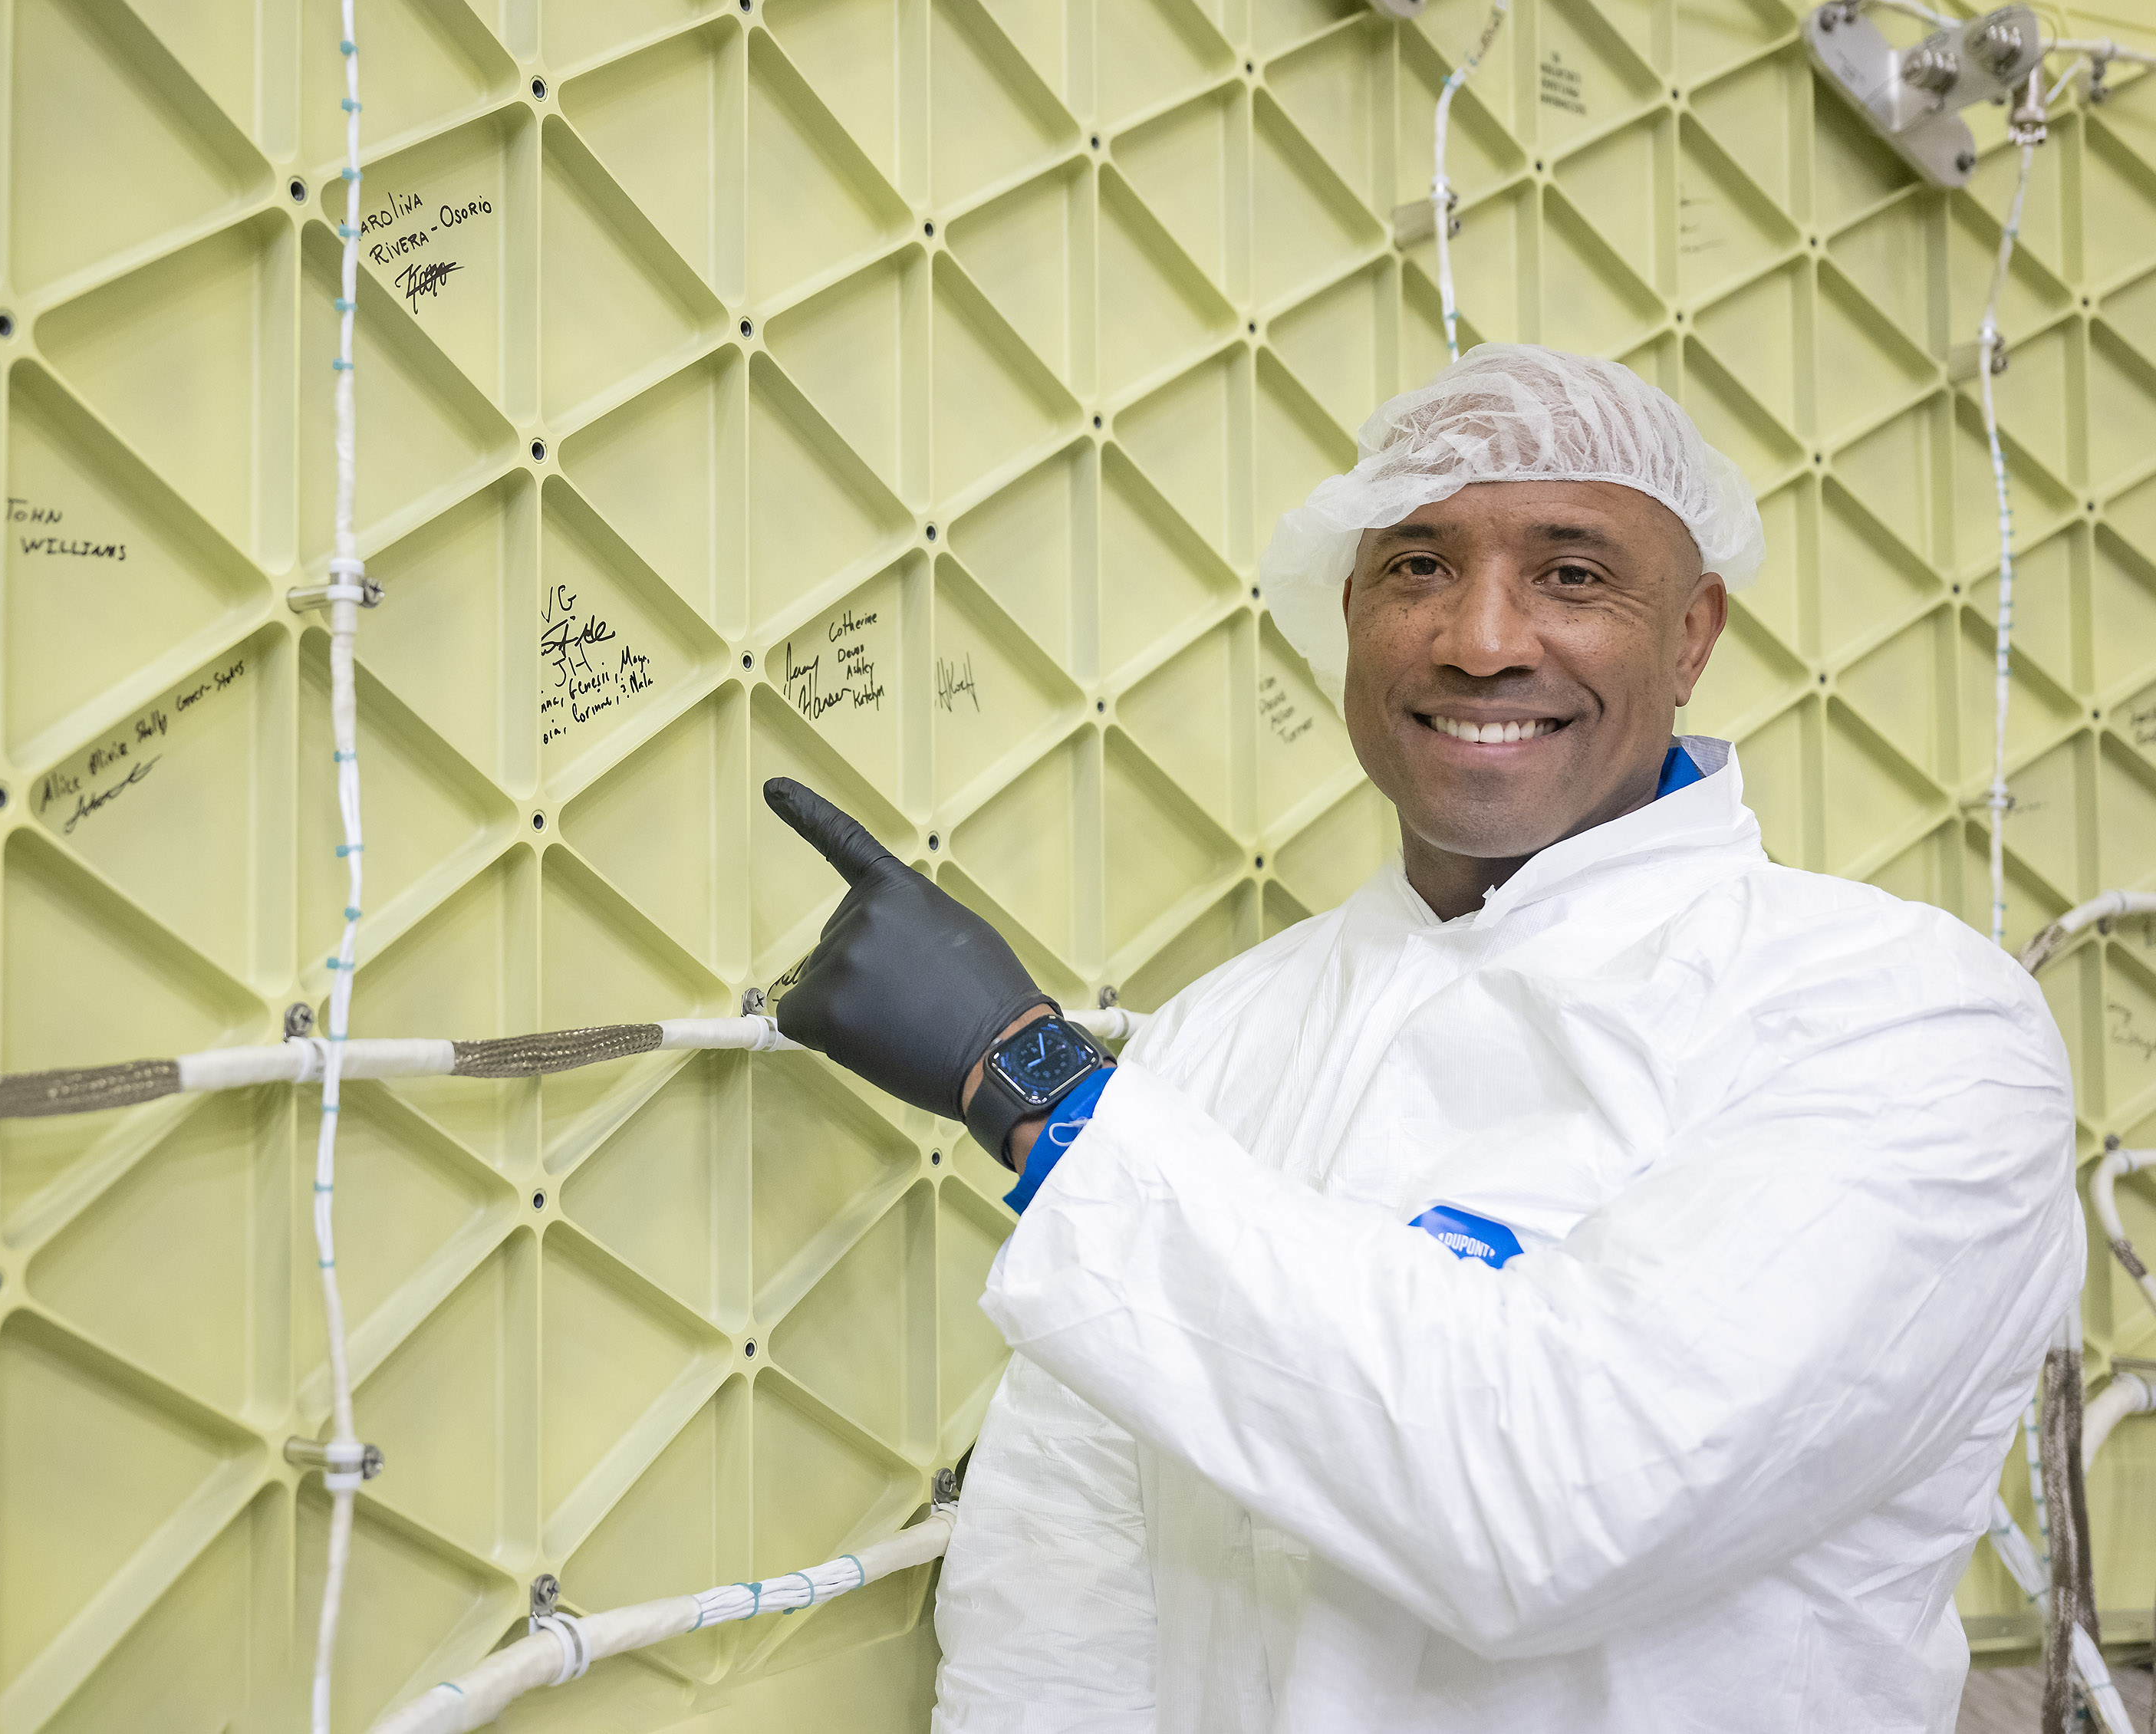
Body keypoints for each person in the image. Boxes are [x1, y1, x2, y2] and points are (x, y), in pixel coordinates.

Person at [761, 344, 2079, 1732]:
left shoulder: (1906, 1019)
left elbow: (1559, 1500)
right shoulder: (1225, 1034)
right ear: (1349, 612)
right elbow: (1067, 1564)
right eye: (1419, 567)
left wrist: (1026, 1078)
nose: (1482, 638)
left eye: (1572, 573)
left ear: (1692, 634)